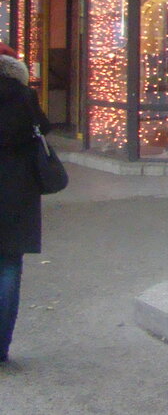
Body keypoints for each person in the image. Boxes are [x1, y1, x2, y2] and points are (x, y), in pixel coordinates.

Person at [0, 53, 47, 364]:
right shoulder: (24, 96)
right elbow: (44, 128)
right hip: (16, 194)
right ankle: (1, 347)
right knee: (8, 266)